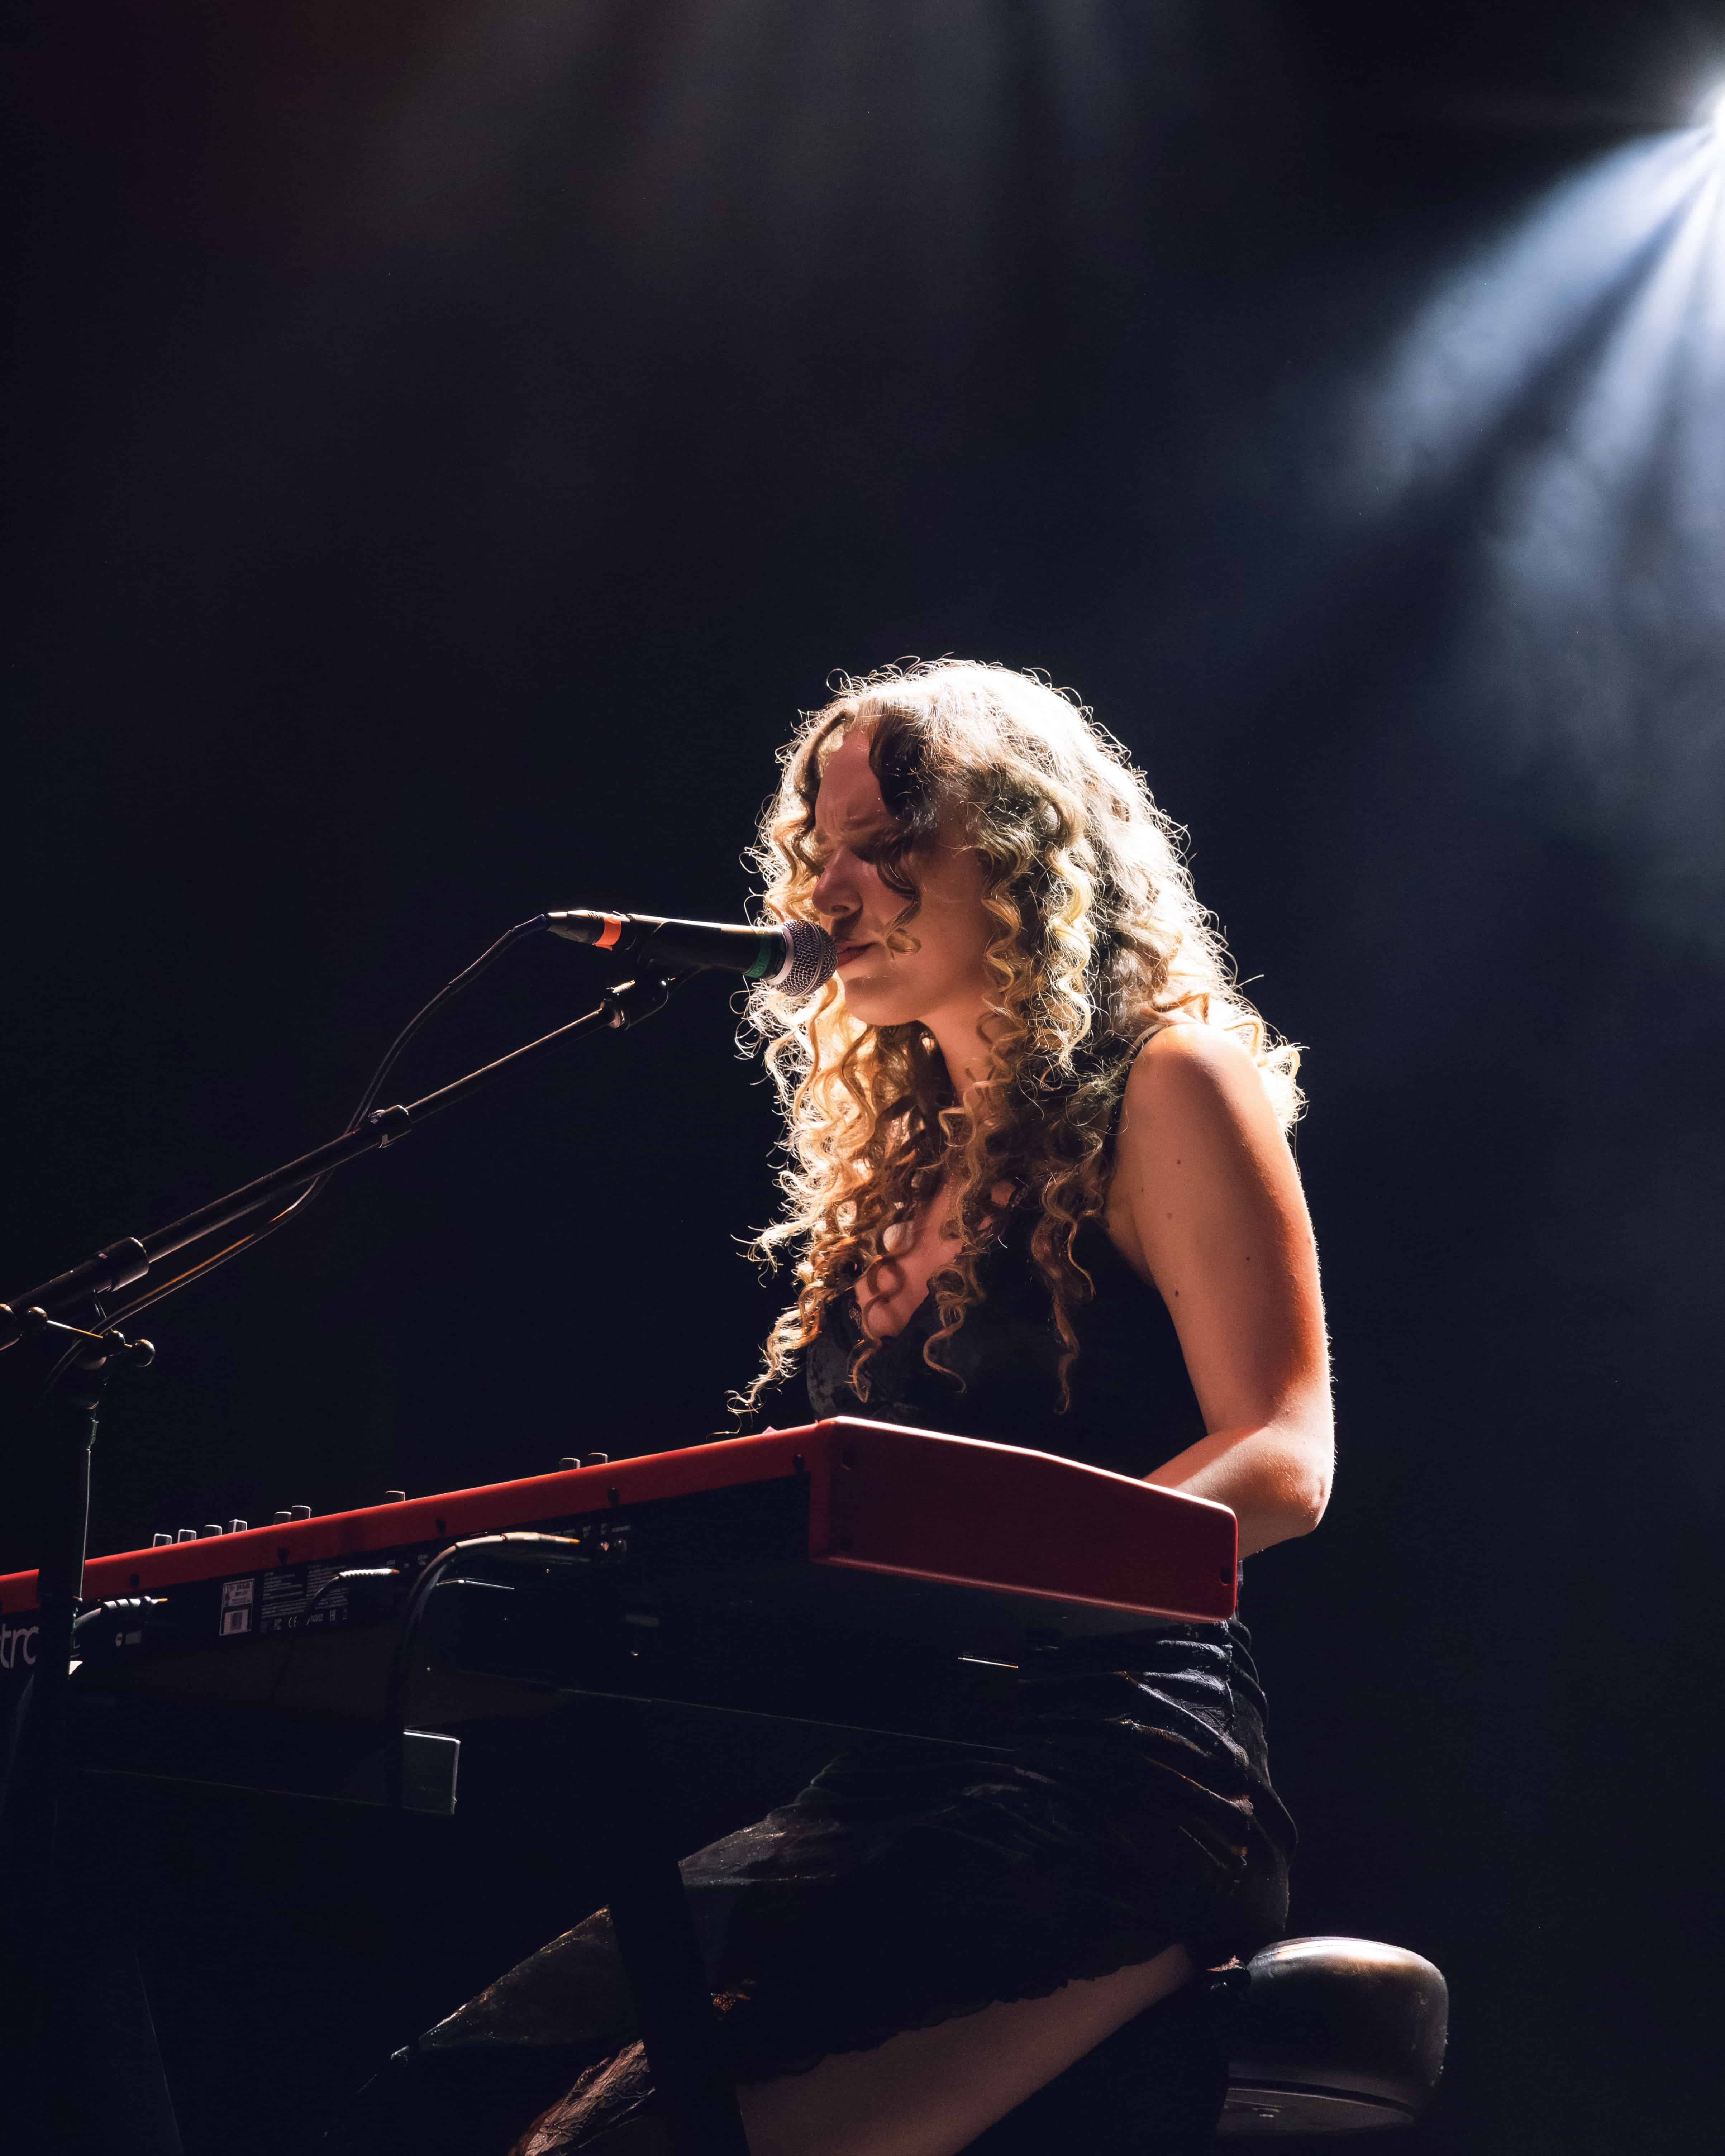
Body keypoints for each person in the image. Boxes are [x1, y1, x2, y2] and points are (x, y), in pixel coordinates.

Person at [383, 659, 1331, 2156]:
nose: (832, 886)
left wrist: (995, 1573)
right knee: (451, 2094)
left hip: (1114, 1771)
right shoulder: (895, 1188)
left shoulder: (1166, 1085)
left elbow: (1285, 1455)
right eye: (816, 849)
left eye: (889, 841)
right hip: (899, 1779)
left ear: (1023, 853)